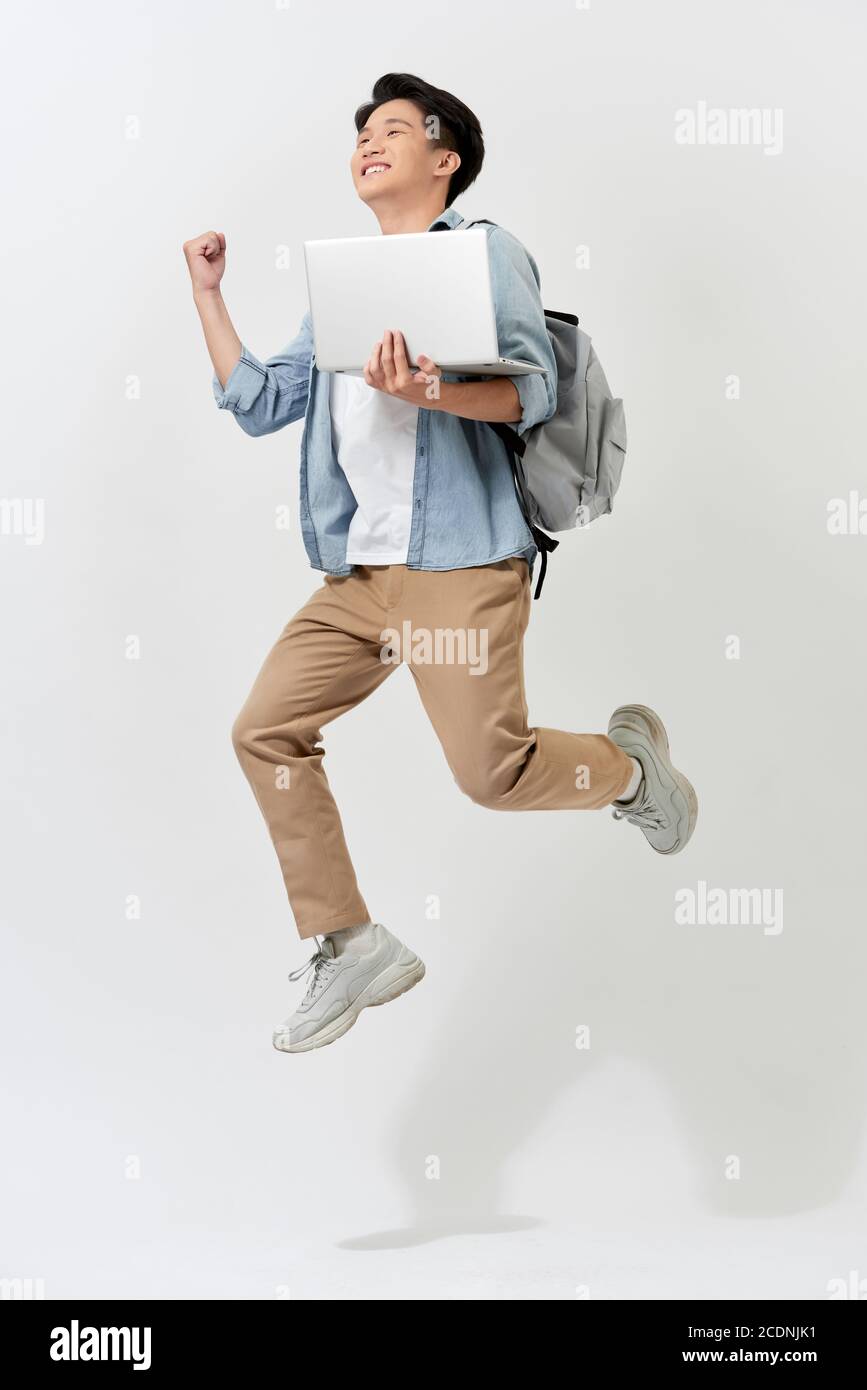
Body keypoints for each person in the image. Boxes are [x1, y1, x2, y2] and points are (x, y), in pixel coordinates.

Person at [183, 72, 698, 1056]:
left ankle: (631, 770)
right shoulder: (341, 288)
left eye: (391, 130)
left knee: (492, 774)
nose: (368, 144)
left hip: (460, 564)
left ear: (444, 156)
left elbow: (531, 393)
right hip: (357, 578)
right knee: (265, 731)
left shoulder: (482, 253)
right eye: (360, 135)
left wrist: (431, 389)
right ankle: (351, 938)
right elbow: (259, 403)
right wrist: (208, 295)